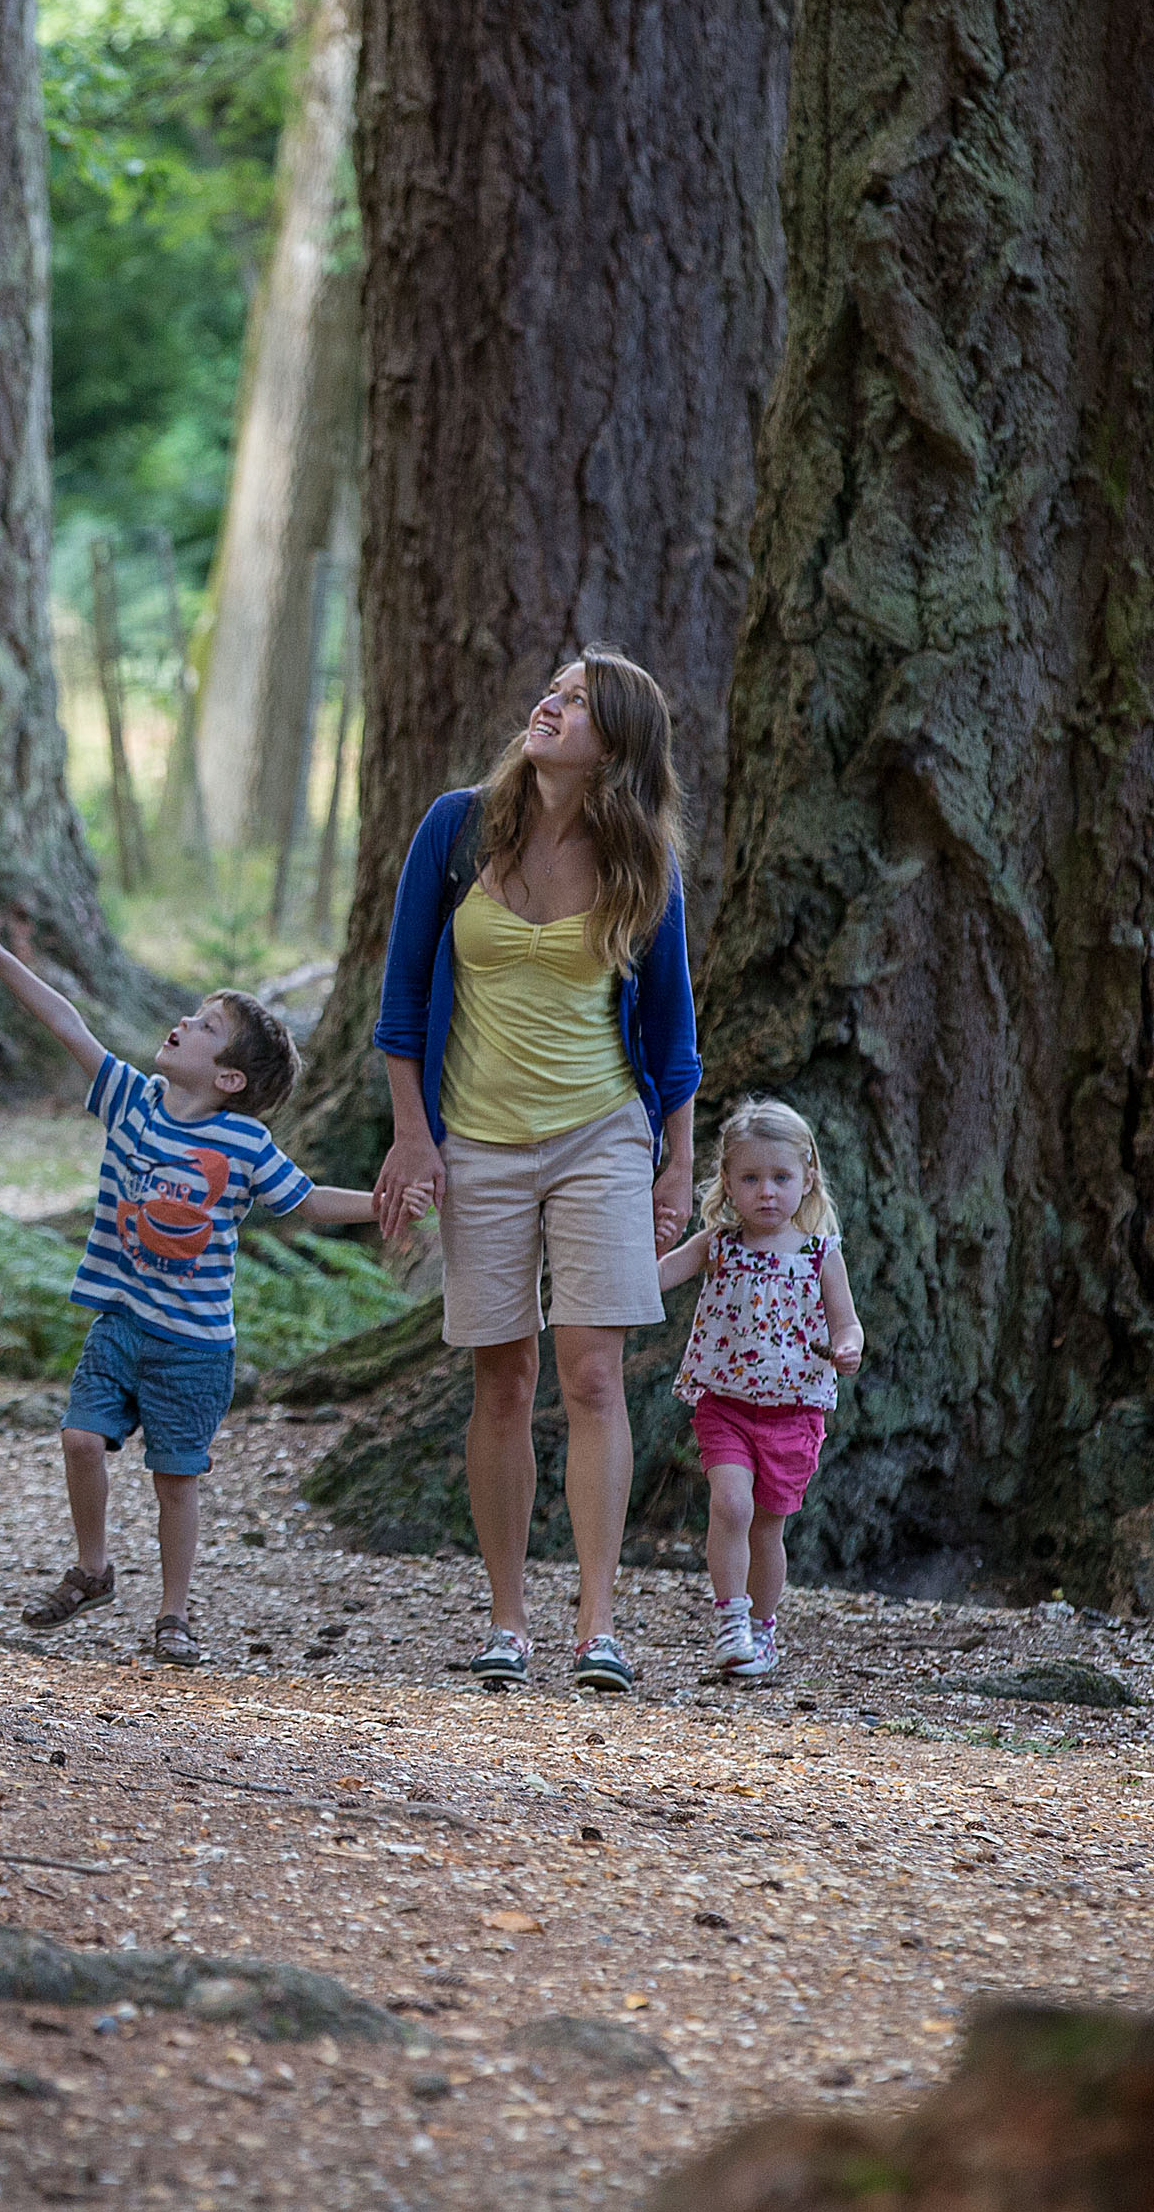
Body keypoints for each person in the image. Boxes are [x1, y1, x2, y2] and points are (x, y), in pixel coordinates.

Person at [370, 651, 700, 1697]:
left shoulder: (640, 861)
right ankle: (507, 1619)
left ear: (616, 740)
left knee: (592, 1374)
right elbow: (400, 1008)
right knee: (501, 1379)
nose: (547, 704)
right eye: (549, 691)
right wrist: (411, 1135)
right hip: (475, 1138)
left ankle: (597, 1623)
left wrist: (676, 1164)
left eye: (575, 699)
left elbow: (671, 1031)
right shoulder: (458, 827)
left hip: (601, 1133)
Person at [0, 909, 377, 1667]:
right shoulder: (131, 1100)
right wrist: (3, 960)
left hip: (195, 1346)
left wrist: (382, 1203)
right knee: (81, 1437)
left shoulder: (246, 1142)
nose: (184, 1022)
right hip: (121, 1320)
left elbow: (305, 1201)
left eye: (207, 1026)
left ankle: (174, 1614)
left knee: (175, 1481)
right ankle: (93, 1568)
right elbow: (67, 1022)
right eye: (195, 1014)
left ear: (229, 1078)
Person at [656, 1098, 863, 1681]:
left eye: (780, 1178)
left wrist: (849, 1346)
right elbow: (657, 1276)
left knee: (768, 1526)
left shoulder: (821, 1254)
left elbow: (846, 1321)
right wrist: (638, 1246)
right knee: (731, 1504)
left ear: (807, 1179)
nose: (766, 1192)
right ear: (727, 1182)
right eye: (750, 1178)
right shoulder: (716, 1246)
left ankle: (764, 1629)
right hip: (724, 1403)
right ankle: (730, 1622)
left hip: (794, 1411)